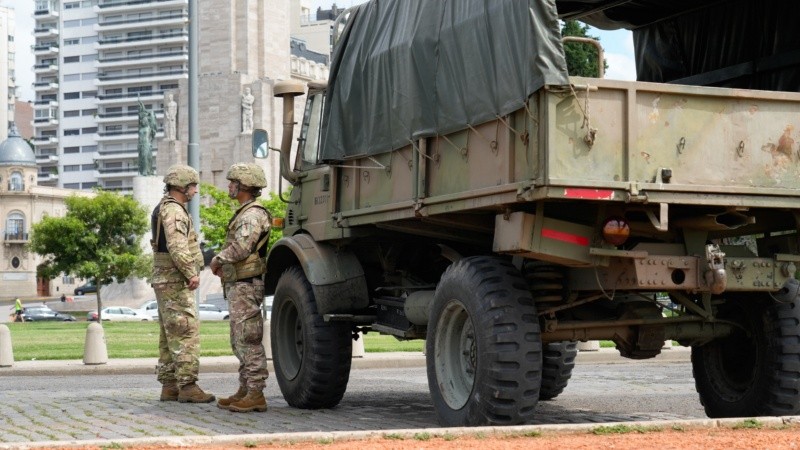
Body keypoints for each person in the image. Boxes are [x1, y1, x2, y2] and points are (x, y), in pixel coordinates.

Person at [151, 165, 214, 403]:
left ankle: (170, 386)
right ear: (182, 186)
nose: (196, 191)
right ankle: (187, 387)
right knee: (185, 331)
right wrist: (191, 273)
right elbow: (177, 246)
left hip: (165, 278)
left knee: (170, 335)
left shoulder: (164, 208)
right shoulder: (175, 211)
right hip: (175, 279)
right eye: (193, 186)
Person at [210, 163, 271, 413]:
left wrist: (218, 259)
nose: (229, 186)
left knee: (248, 338)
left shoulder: (252, 215)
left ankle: (255, 393)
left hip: (246, 284)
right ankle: (245, 389)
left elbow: (242, 248)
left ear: (244, 185)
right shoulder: (245, 212)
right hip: (239, 284)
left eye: (232, 182)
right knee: (239, 340)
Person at [138, 100, 157, 176]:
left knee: (146, 158)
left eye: (144, 119)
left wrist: (149, 113)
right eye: (142, 120)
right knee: (142, 159)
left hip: (146, 144)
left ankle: (146, 171)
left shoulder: (149, 127)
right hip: (141, 144)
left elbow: (152, 120)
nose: (142, 121)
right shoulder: (140, 128)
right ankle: (143, 171)